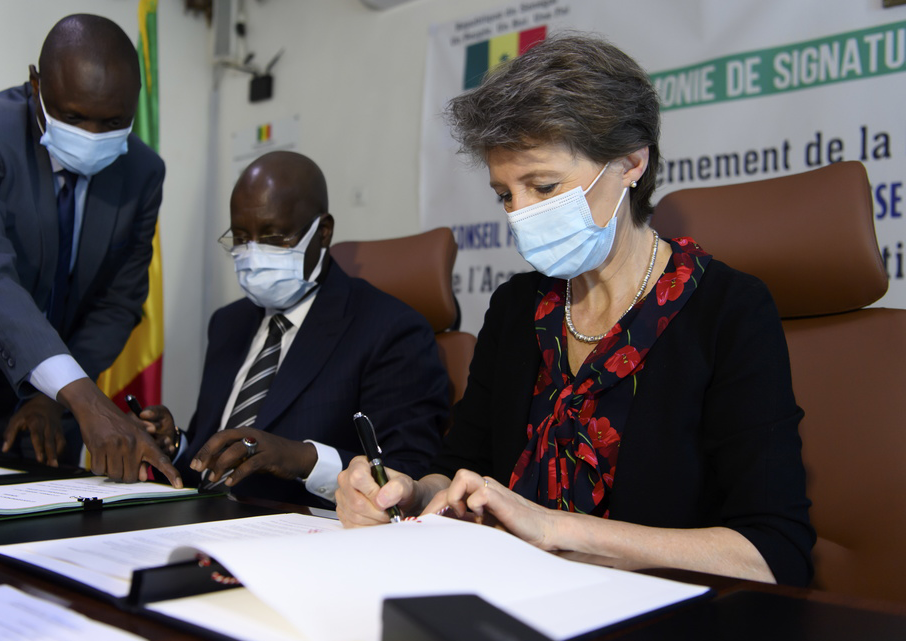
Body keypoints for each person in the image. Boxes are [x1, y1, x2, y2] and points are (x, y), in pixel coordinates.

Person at [335, 33, 815, 586]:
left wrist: (557, 531)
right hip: (508, 597)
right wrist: (409, 494)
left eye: (543, 186)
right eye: (505, 194)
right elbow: (459, 467)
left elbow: (774, 552)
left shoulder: (729, 310)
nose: (520, 214)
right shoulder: (518, 306)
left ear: (631, 162)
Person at [0, 14, 181, 487]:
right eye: (74, 117)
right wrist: (82, 395)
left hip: (49, 414)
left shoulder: (143, 172)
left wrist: (52, 397)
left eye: (113, 122)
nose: (92, 134)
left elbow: (118, 302)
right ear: (35, 84)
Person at [138, 151, 448, 508]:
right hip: (205, 520)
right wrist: (176, 446)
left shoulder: (389, 330)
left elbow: (408, 473)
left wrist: (304, 460)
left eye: (274, 237)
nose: (253, 254)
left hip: (303, 528)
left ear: (323, 232)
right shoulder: (228, 323)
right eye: (241, 237)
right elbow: (216, 462)